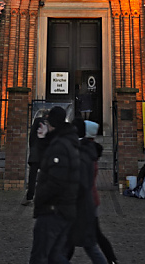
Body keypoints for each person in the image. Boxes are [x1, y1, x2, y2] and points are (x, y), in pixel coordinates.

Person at [29, 106, 80, 264]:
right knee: (53, 257)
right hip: (60, 209)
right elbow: (49, 157)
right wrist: (44, 139)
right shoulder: (61, 142)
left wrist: (40, 197)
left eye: (48, 123)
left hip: (54, 210)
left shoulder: (61, 146)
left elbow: (56, 181)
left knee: (41, 258)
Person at [67, 118, 109, 264]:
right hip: (87, 201)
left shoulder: (84, 152)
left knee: (90, 242)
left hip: (84, 202)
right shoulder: (89, 150)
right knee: (86, 241)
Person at [22, 113, 49, 206]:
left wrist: (32, 148)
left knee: (32, 177)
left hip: (35, 154)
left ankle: (30, 196)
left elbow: (31, 138)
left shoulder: (37, 122)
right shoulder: (48, 126)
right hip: (44, 155)